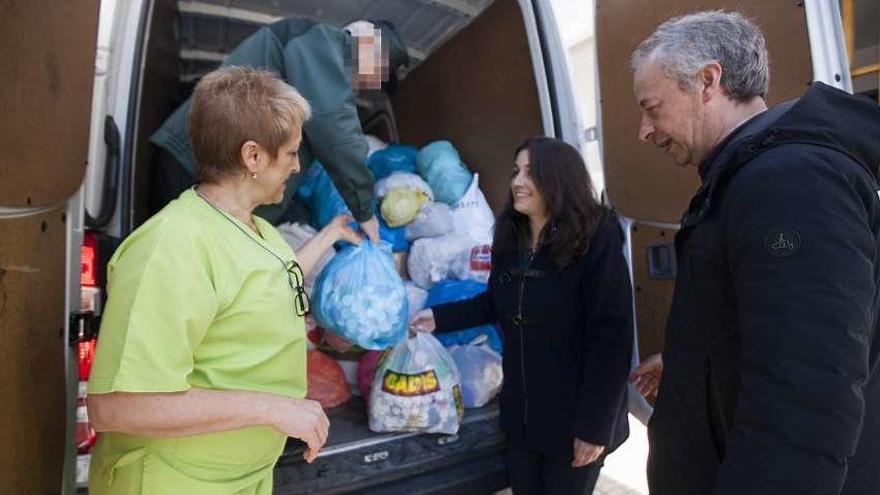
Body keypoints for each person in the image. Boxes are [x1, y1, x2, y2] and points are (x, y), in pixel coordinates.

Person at [628, 11, 880, 495]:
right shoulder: (753, 176)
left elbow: (807, 396)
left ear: (708, 81)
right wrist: (695, 363)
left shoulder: (788, 183)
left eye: (652, 107)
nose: (644, 130)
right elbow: (780, 331)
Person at [86, 66, 362, 494]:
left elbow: (272, 284)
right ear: (253, 157)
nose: (296, 166)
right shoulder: (173, 246)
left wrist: (332, 234)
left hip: (241, 480)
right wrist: (274, 409)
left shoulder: (260, 231)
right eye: (290, 153)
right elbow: (116, 407)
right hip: (173, 482)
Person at [410, 137, 633, 494]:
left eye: (530, 172)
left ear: (558, 177)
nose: (517, 181)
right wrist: (437, 318)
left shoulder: (595, 239)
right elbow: (496, 302)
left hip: (575, 418)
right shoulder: (511, 236)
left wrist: (594, 428)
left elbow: (612, 339)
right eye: (516, 171)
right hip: (524, 416)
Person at [150, 18, 410, 238]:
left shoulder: (321, 63)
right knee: (176, 262)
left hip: (219, 178)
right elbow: (336, 130)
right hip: (193, 164)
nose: (373, 84)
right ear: (367, 46)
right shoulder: (323, 43)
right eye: (380, 74)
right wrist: (364, 210)